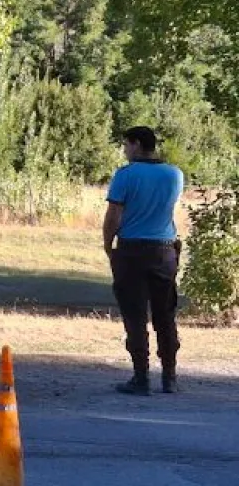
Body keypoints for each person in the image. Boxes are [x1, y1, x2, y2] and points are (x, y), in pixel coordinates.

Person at [104, 126, 184, 395]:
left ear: (136, 145)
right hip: (165, 249)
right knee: (165, 313)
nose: (125, 150)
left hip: (133, 249)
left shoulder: (126, 175)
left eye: (126, 144)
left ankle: (141, 376)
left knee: (135, 314)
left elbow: (114, 214)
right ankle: (170, 376)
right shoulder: (174, 174)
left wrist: (108, 243)